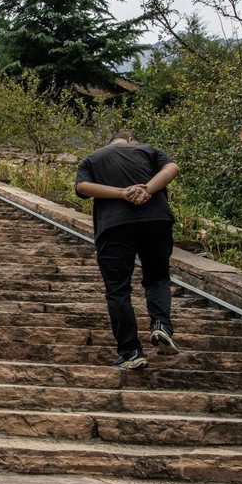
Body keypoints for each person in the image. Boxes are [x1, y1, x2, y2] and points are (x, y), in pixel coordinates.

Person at [76, 130, 181, 369]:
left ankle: (131, 351)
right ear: (132, 140)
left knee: (118, 289)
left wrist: (122, 193)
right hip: (156, 220)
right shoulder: (149, 149)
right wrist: (147, 190)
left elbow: (82, 187)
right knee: (157, 278)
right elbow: (172, 169)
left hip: (114, 226)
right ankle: (161, 325)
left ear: (111, 142)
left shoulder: (93, 158)